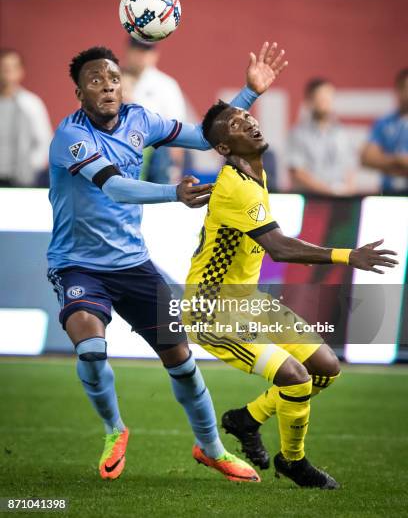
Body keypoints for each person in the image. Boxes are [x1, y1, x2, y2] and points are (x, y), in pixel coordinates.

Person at [46, 41, 283, 482]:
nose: (108, 86)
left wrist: (249, 94)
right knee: (92, 349)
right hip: (77, 264)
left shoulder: (140, 119)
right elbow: (114, 187)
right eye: (95, 81)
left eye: (113, 78)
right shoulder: (71, 137)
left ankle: (211, 449)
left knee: (182, 363)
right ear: (79, 93)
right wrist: (172, 194)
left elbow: (203, 136)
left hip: (133, 264)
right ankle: (114, 430)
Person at [181, 98, 398, 489]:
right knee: (296, 378)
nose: (249, 122)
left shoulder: (253, 173)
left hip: (248, 300)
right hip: (210, 309)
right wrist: (349, 255)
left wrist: (250, 90)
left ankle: (246, 419)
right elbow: (279, 248)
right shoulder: (236, 187)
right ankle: (293, 462)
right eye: (236, 124)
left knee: (327, 369)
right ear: (224, 150)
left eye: (247, 115)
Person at [125, 38, 187, 183]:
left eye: (146, 51)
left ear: (155, 54)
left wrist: (174, 167)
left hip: (157, 157)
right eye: (138, 50)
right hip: (122, 154)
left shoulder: (166, 85)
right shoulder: (113, 80)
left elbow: (178, 130)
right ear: (129, 51)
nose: (142, 56)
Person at [287, 77, 356, 195]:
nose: (326, 101)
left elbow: (349, 169)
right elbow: (296, 171)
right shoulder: (298, 134)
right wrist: (327, 192)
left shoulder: (342, 133)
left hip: (341, 201)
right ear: (310, 101)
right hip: (312, 200)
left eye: (329, 97)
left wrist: (347, 192)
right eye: (321, 97)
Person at [0, 48, 53, 186]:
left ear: (21, 71)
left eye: (12, 67)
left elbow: (45, 142)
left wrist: (29, 166)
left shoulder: (31, 103)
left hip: (20, 180)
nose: (7, 72)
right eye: (3, 67)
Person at [361, 68, 408, 194]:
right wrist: (397, 160)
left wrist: (386, 162)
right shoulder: (384, 122)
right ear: (398, 90)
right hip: (389, 192)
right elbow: (367, 158)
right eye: (405, 88)